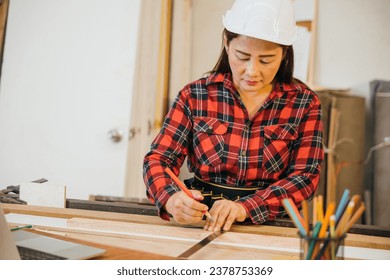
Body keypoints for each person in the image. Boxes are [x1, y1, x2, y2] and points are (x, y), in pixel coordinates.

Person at [143, 0, 324, 232]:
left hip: (270, 224)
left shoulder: (304, 103)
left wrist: (245, 208)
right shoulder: (195, 95)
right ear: (227, 45)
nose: (252, 71)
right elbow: (158, 159)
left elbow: (305, 177)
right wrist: (171, 199)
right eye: (242, 56)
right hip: (201, 221)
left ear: (284, 55)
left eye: (266, 60)